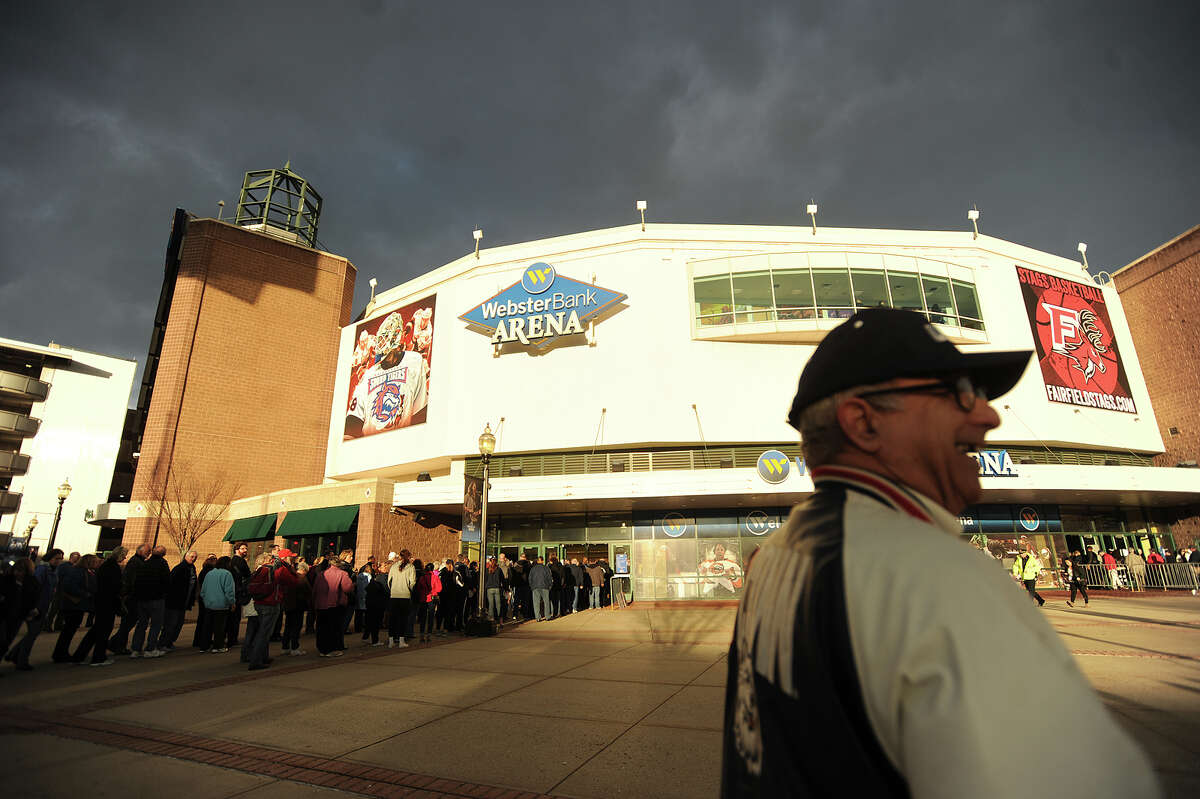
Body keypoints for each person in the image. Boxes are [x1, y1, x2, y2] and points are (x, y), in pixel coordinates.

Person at [719, 307, 1159, 797]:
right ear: (863, 424)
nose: (988, 414)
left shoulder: (778, 554)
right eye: (959, 393)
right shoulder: (938, 578)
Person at [6, 549, 62, 670]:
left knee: (33, 633)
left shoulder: (53, 570)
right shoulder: (42, 570)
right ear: (50, 558)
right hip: (37, 605)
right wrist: (34, 606)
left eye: (60, 558)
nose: (59, 561)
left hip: (44, 604)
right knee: (32, 633)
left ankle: (14, 654)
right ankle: (21, 660)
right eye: (57, 558)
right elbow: (34, 588)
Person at [244, 550, 299, 670]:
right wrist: (292, 569)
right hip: (271, 603)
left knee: (262, 630)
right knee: (264, 633)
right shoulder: (281, 569)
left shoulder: (263, 568)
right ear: (285, 558)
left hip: (259, 602)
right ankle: (256, 660)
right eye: (291, 557)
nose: (293, 559)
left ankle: (263, 657)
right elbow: (294, 581)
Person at [71, 547, 126, 666]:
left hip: (102, 601)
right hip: (107, 602)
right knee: (103, 631)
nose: (125, 557)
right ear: (119, 555)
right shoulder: (112, 567)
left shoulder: (105, 566)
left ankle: (79, 656)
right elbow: (114, 586)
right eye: (124, 555)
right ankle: (98, 657)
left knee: (96, 630)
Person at [52, 554, 95, 663]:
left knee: (69, 630)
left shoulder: (82, 571)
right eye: (93, 561)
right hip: (73, 605)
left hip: (76, 605)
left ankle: (61, 652)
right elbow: (69, 586)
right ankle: (60, 653)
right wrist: (85, 594)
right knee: (68, 630)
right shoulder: (77, 571)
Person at [108, 542, 149, 655]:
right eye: (147, 552)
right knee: (127, 623)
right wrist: (127, 594)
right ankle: (116, 644)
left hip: (132, 597)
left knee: (127, 623)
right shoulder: (135, 562)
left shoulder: (137, 562)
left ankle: (117, 644)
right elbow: (130, 581)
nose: (148, 554)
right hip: (132, 598)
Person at [130, 545, 171, 658]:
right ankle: (150, 648)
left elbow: (137, 581)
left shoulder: (145, 564)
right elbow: (167, 581)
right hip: (156, 599)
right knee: (156, 624)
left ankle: (136, 649)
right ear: (163, 554)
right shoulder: (163, 564)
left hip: (142, 599)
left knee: (141, 624)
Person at [313, 551, 352, 657]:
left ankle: (322, 649)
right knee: (334, 627)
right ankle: (331, 649)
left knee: (321, 627)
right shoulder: (342, 574)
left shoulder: (321, 574)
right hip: (335, 604)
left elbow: (315, 589)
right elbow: (347, 588)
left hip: (321, 604)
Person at [161, 551, 198, 651]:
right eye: (191, 556)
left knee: (178, 623)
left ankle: (170, 642)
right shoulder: (180, 568)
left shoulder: (192, 569)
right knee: (171, 623)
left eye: (195, 557)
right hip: (174, 601)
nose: (193, 558)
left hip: (183, 602)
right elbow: (171, 583)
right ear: (186, 556)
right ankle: (163, 643)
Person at [281, 561, 312, 656]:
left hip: (289, 605)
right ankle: (295, 647)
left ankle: (285, 647)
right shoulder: (302, 579)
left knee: (288, 626)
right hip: (298, 605)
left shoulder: (292, 577)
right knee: (296, 627)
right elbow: (308, 591)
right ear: (304, 570)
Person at [386, 549, 415, 648]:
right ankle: (401, 640)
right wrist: (409, 590)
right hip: (405, 595)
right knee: (403, 619)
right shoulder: (411, 567)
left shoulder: (394, 566)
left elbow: (389, 581)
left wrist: (393, 589)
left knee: (392, 619)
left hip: (394, 595)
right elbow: (413, 582)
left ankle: (391, 640)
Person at [227, 543, 253, 646]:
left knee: (232, 617)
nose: (245, 550)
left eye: (246, 548)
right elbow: (247, 575)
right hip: (238, 592)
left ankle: (231, 638)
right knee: (235, 617)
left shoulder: (232, 561)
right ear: (237, 550)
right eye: (242, 548)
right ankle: (232, 639)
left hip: (234, 591)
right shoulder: (240, 561)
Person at [192, 555, 217, 649]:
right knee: (206, 620)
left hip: (202, 597)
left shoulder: (203, 571)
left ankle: (198, 640)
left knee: (201, 619)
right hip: (207, 598)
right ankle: (203, 640)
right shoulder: (209, 572)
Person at [364, 564, 389, 646]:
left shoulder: (375, 578)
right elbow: (385, 590)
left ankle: (366, 636)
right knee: (376, 622)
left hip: (371, 602)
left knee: (370, 620)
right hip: (378, 603)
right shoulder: (382, 578)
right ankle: (375, 640)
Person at [527, 556, 552, 621]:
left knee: (536, 603)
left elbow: (530, 578)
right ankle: (547, 616)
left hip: (535, 587)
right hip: (545, 587)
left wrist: (531, 586)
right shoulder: (546, 568)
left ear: (537, 561)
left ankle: (538, 617)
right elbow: (549, 578)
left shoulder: (533, 569)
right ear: (543, 561)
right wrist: (550, 586)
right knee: (546, 602)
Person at [484, 558, 506, 624]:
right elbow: (503, 579)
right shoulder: (499, 570)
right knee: (498, 605)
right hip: (497, 588)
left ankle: (491, 619)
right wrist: (505, 588)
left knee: (491, 605)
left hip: (489, 588)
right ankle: (500, 619)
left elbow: (485, 579)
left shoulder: (487, 570)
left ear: (490, 562)